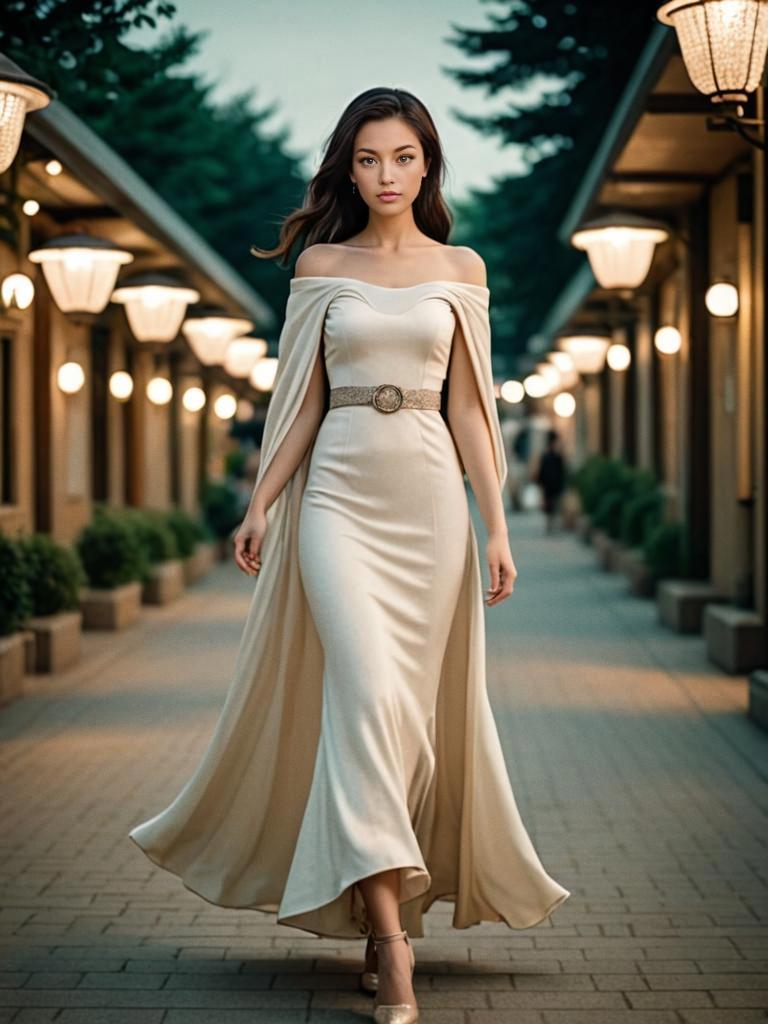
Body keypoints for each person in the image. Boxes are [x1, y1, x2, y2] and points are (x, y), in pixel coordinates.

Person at [128, 86, 570, 1024]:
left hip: (429, 505)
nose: (385, 177)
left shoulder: (463, 268)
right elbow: (301, 404)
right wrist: (260, 506)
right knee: (365, 698)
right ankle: (397, 949)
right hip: (335, 500)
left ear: (428, 164)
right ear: (347, 166)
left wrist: (496, 526)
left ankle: (381, 912)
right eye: (368, 159)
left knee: (408, 720)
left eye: (403, 158)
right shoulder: (322, 263)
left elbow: (470, 413)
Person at [534, 429, 568, 534]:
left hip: (552, 485)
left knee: (553, 506)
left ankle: (552, 525)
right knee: (551, 506)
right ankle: (551, 525)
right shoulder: (551, 456)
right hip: (550, 485)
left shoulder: (553, 456)